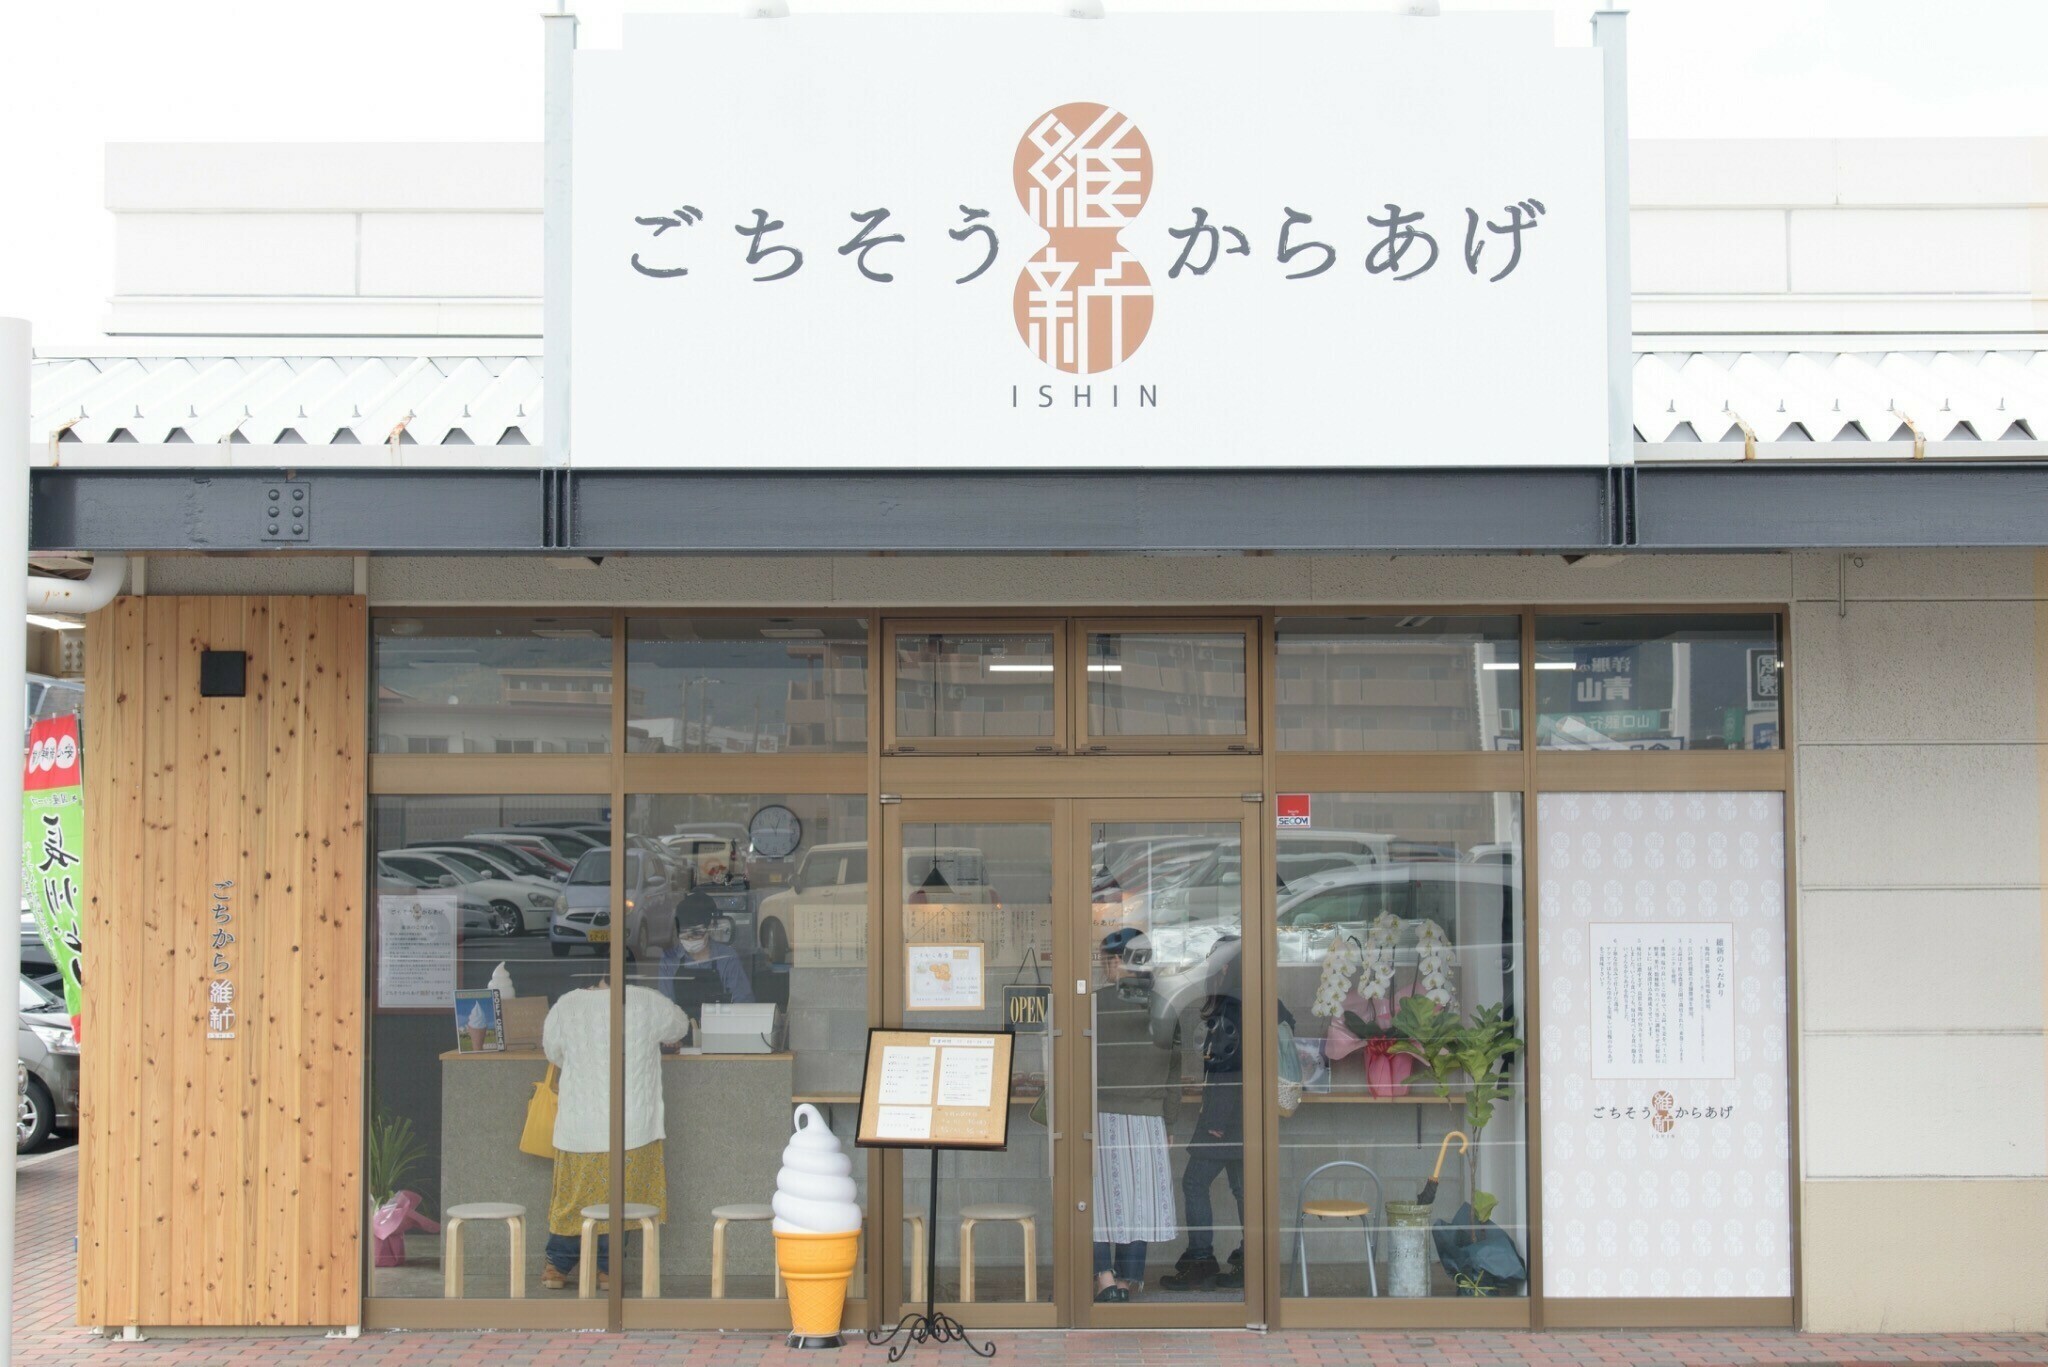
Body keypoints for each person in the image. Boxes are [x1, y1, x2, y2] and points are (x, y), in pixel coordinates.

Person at [538, 978, 690, 1291]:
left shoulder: (567, 1004)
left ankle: (557, 1266)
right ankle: (608, 1270)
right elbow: (679, 1027)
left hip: (580, 1122)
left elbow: (553, 1053)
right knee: (623, 1199)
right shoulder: (647, 1000)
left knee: (573, 1198)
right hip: (633, 1124)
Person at [1090, 928, 1179, 1303]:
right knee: (1138, 1201)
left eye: (1106, 959)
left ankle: (1104, 1278)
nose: (1104, 967)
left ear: (1117, 961)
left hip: (1098, 1117)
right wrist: (1169, 1121)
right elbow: (1175, 1072)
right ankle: (1127, 1281)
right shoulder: (1164, 1005)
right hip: (1148, 1118)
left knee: (1097, 1200)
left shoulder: (1091, 1004)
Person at [658, 887, 755, 1026]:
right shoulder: (669, 960)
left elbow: (743, 1003)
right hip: (681, 1032)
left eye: (696, 933)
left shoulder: (726, 958)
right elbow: (665, 1008)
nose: (690, 939)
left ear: (709, 927)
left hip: (721, 1031)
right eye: (684, 933)